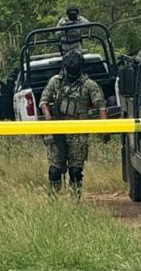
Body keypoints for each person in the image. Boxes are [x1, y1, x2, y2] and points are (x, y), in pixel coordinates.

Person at [39, 51, 107, 197]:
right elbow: (43, 101)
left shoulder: (89, 84)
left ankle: (75, 200)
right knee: (54, 170)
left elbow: (100, 105)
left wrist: (104, 128)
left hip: (78, 131)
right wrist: (49, 118)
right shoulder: (56, 81)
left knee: (75, 171)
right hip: (57, 129)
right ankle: (53, 201)